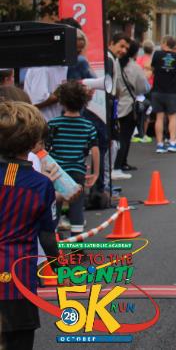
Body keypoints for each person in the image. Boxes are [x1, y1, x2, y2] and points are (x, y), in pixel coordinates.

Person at [0, 101, 59, 350]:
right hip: (17, 280)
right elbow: (47, 237)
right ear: (34, 141)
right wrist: (58, 267)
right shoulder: (40, 185)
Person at [46, 81, 99, 234]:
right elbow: (95, 150)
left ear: (61, 102)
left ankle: (55, 240)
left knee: (54, 205)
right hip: (77, 170)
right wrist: (95, 173)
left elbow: (46, 149)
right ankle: (77, 242)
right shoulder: (88, 125)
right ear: (84, 102)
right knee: (77, 206)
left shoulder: (53, 124)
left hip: (57, 172)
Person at [150, 36, 176, 154]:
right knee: (172, 117)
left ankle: (160, 144)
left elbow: (152, 68)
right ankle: (172, 143)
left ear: (165, 43)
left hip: (157, 90)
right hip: (171, 91)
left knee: (159, 118)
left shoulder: (157, 54)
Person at [106, 32, 132, 181]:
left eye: (126, 48)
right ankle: (107, 178)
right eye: (121, 46)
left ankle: (108, 177)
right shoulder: (109, 60)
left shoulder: (113, 59)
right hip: (109, 106)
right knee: (110, 144)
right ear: (111, 43)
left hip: (112, 105)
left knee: (112, 143)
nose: (123, 50)